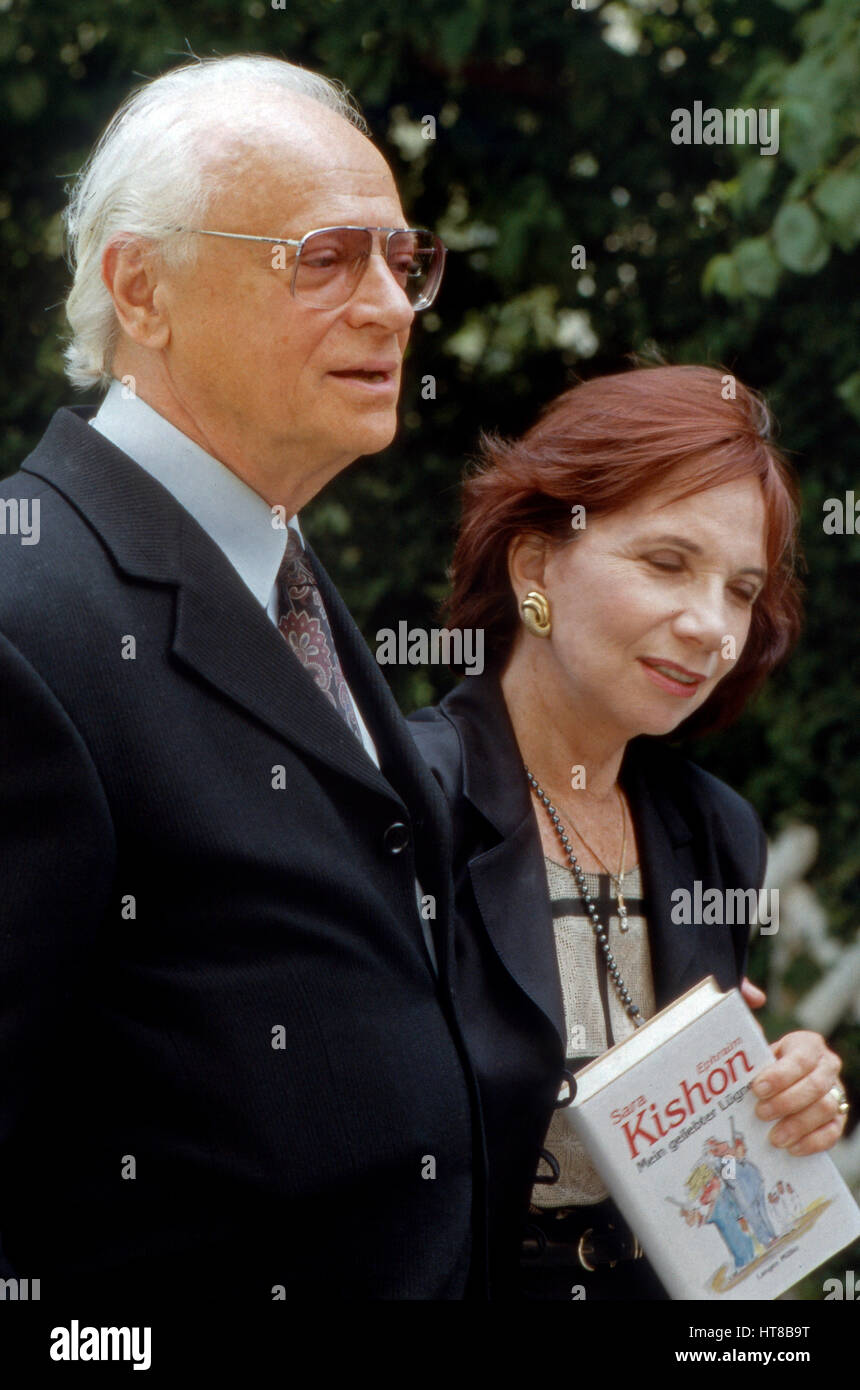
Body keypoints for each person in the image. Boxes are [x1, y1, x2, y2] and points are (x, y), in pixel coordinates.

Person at [0, 54, 484, 1306]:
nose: (389, 306)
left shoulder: (280, 573)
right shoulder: (23, 609)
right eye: (323, 258)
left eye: (401, 258)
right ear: (142, 288)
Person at [409, 364, 849, 1299]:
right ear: (535, 566)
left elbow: (700, 1159)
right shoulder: (405, 799)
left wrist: (780, 1097)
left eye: (741, 589)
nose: (711, 627)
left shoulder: (715, 830)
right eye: (666, 564)